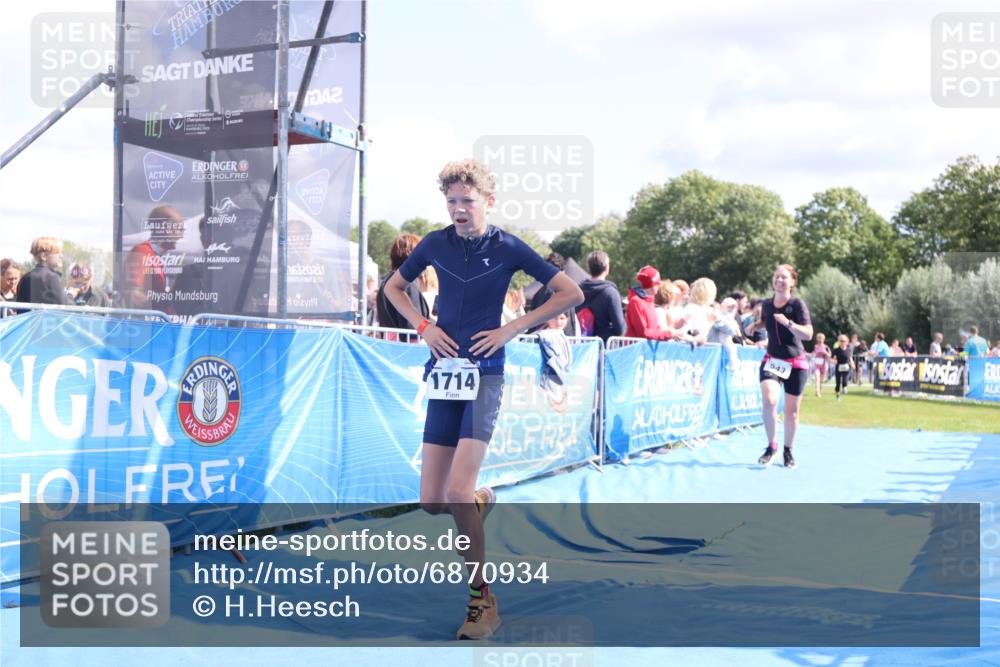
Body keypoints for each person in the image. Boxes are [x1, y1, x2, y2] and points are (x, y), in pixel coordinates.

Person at [382, 158, 583, 640]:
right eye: (451, 201)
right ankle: (478, 501)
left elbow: (570, 292)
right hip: (444, 374)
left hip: (486, 375)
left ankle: (481, 601)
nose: (458, 209)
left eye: (467, 201)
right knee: (433, 501)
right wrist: (424, 326)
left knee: (454, 493)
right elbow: (393, 287)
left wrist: (513, 328)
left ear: (488, 202)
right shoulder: (435, 243)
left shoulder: (508, 246)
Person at [756, 264, 814, 470]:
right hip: (773, 360)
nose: (780, 280)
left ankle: (788, 451)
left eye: (784, 277)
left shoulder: (797, 304)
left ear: (792, 282)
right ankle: (771, 447)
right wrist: (754, 326)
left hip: (796, 362)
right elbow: (765, 322)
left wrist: (789, 323)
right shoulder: (766, 304)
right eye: (777, 276)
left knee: (792, 412)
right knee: (769, 399)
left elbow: (808, 334)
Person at [123, 206, 185, 310]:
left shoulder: (156, 255)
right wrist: (167, 300)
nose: (181, 236)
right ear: (168, 228)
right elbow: (133, 295)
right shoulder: (141, 252)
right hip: (144, 320)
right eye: (180, 229)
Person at [376, 234, 429, 331]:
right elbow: (413, 324)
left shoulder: (386, 281)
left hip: (391, 339)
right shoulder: (406, 284)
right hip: (408, 339)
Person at [575, 250, 625, 342]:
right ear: (607, 268)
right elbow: (620, 328)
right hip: (605, 345)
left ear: (589, 268)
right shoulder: (611, 293)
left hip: (582, 345)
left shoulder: (577, 291)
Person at [15, 237, 72, 306]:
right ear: (44, 256)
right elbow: (65, 306)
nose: (61, 256)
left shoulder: (24, 278)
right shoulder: (51, 277)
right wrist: (70, 294)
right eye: (57, 253)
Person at [625, 266, 675, 341]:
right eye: (657, 283)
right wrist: (669, 334)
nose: (660, 285)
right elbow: (643, 333)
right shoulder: (635, 302)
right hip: (637, 347)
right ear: (651, 285)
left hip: (647, 347)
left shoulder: (649, 301)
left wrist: (668, 333)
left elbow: (654, 329)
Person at [832, 334, 854, 401]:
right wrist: (833, 361)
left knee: (845, 380)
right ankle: (838, 396)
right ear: (839, 341)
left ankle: (845, 387)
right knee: (838, 383)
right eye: (841, 341)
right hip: (838, 367)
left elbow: (850, 358)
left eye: (844, 341)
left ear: (847, 342)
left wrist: (853, 364)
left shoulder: (849, 350)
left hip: (846, 367)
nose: (842, 342)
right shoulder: (836, 350)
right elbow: (831, 358)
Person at [811, 332, 831, 397]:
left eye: (821, 338)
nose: (820, 339)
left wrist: (825, 352)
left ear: (823, 339)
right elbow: (813, 353)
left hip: (824, 365)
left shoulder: (826, 347)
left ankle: (819, 388)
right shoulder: (815, 346)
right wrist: (813, 354)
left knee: (821, 380)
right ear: (817, 339)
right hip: (817, 364)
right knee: (817, 378)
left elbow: (830, 355)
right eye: (819, 338)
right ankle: (817, 392)